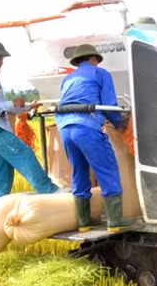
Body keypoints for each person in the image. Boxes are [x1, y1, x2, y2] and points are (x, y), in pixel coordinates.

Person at [0, 40, 59, 199]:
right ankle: (48, 190)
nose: (2, 62)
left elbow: (2, 107)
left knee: (3, 170)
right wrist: (12, 103)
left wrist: (28, 106)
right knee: (24, 153)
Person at [56, 44, 134, 233]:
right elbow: (109, 104)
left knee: (79, 171)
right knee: (106, 169)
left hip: (64, 127)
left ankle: (84, 222)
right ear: (93, 59)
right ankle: (115, 221)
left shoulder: (67, 78)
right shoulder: (100, 73)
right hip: (87, 125)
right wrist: (119, 123)